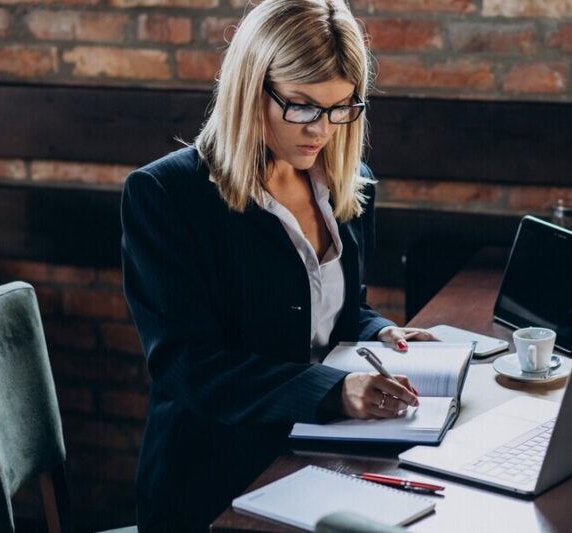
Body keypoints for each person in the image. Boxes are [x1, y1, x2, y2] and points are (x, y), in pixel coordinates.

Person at [121, 0, 433, 530]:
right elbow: (186, 364)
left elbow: (336, 308)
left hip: (322, 456)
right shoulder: (164, 195)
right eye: (302, 105)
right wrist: (332, 390)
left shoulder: (349, 182)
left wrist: (379, 331)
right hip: (216, 482)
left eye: (340, 108)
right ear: (250, 89)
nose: (322, 129)